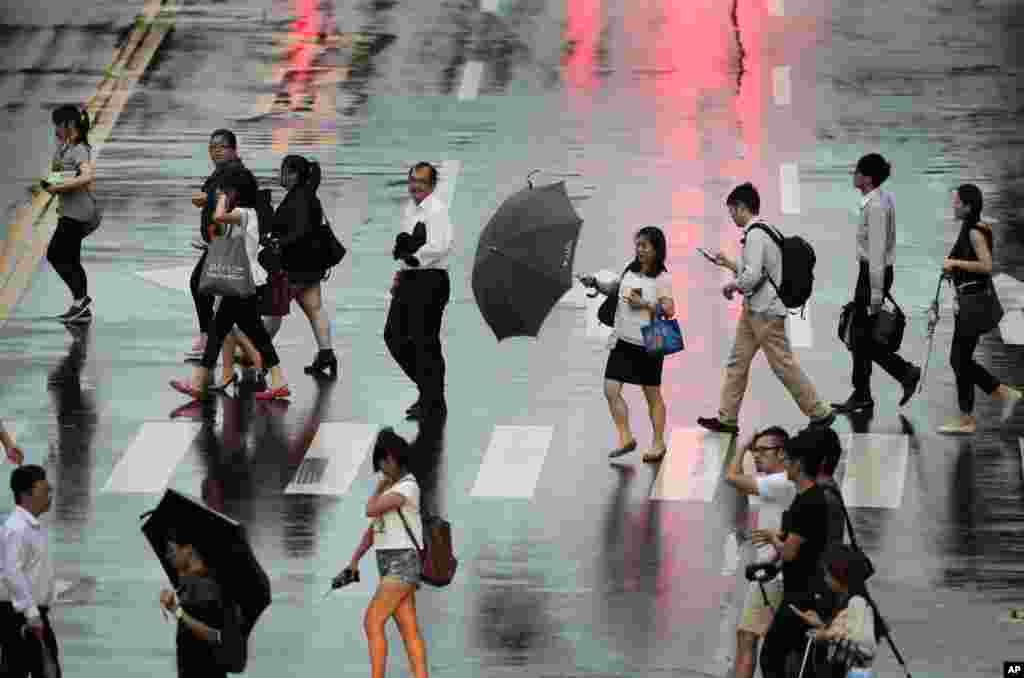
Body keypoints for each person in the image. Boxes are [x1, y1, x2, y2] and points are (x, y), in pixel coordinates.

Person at [698, 182, 835, 434]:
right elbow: (759, 271)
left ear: (741, 207)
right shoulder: (764, 230)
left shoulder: (755, 234)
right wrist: (728, 263)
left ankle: (819, 412)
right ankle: (727, 418)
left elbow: (752, 277)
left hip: (766, 312)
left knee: (783, 365)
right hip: (753, 310)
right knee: (737, 363)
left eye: (732, 211)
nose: (732, 217)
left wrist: (731, 287)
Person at [170, 188, 291, 400]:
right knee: (250, 333)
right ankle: (278, 381)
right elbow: (223, 234)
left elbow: (218, 216)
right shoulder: (245, 216)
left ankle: (198, 382)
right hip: (242, 280)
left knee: (221, 332)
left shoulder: (244, 213)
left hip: (241, 281)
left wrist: (222, 198)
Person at [833, 153, 921, 413]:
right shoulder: (878, 199)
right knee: (861, 337)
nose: (854, 174)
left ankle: (900, 375)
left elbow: (877, 253)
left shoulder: (876, 207)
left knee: (861, 337)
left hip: (874, 274)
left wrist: (875, 293)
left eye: (857, 171)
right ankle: (869, 390)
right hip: (872, 273)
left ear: (867, 178)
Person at [580, 226, 676, 462]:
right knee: (610, 389)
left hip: (649, 342)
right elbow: (616, 289)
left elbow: (669, 309)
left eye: (645, 245)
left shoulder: (662, 278)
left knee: (652, 395)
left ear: (656, 249)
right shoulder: (630, 269)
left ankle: (658, 443)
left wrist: (644, 303)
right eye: (638, 244)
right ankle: (626, 437)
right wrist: (595, 283)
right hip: (623, 340)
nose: (640, 249)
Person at [339, 428, 429, 678]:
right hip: (389, 565)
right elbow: (374, 527)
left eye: (381, 465)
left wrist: (379, 488)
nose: (381, 471)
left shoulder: (407, 488)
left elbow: (371, 509)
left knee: (372, 621)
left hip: (402, 565)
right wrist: (355, 559)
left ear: (390, 458)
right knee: (408, 628)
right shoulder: (395, 488)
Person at [936, 184, 1021, 434]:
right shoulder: (968, 227)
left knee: (959, 359)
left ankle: (974, 414)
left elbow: (986, 266)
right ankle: (998, 396)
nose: (954, 205)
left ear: (968, 207)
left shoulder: (974, 232)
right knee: (960, 359)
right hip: (968, 301)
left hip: (973, 305)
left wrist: (954, 262)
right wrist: (952, 269)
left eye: (957, 202)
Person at [757, 429, 842, 678]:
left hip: (802, 595)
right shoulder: (807, 497)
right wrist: (775, 565)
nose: (784, 465)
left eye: (787, 460)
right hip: (802, 590)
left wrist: (774, 538)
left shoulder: (810, 501)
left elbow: (792, 552)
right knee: (795, 659)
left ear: (799, 464)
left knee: (772, 658)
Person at [723, 426, 795, 678]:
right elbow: (743, 486)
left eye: (763, 450)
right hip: (777, 571)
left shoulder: (780, 482)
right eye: (755, 450)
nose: (756, 455)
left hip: (773, 576)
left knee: (747, 636)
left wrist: (741, 446)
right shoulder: (779, 482)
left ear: (782, 453)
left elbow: (732, 477)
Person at [385, 162, 454, 421]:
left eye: (422, 182)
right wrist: (402, 269)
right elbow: (405, 242)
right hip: (410, 279)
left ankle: (433, 399)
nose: (415, 186)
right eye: (413, 180)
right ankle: (430, 393)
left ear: (432, 185)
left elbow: (440, 246)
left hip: (430, 281)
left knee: (426, 343)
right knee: (393, 336)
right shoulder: (410, 208)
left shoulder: (437, 210)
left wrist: (414, 256)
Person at [186, 129, 261, 361]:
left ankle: (214, 343)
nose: (215, 152)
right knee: (215, 295)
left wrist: (206, 199)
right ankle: (230, 350)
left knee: (205, 287)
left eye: (220, 147)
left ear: (233, 149)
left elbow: (226, 201)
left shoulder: (237, 174)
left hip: (229, 243)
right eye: (212, 148)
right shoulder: (223, 171)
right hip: (219, 241)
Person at [262, 154, 338, 378]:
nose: (280, 175)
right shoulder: (307, 195)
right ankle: (326, 354)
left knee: (272, 312)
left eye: (283, 171)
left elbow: (301, 232)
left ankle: (257, 355)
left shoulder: (299, 199)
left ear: (294, 174)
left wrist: (277, 242)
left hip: (294, 268)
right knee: (315, 309)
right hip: (311, 268)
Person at [40, 104, 98, 324]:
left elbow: (86, 177)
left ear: (70, 124)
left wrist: (60, 188)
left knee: (55, 254)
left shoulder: (80, 148)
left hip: (78, 213)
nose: (56, 129)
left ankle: (81, 301)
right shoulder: (65, 148)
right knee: (71, 258)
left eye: (58, 124)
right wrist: (48, 185)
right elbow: (58, 176)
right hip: (69, 211)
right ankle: (80, 306)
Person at [0, 465, 58, 677]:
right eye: (44, 490)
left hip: (32, 613)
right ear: (26, 495)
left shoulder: (32, 526)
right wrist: (31, 612)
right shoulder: (17, 528)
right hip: (22, 616)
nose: (49, 495)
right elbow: (12, 572)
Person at [790, 543, 881, 677]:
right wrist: (820, 625)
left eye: (827, 574)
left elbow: (866, 648)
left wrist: (825, 635)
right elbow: (846, 632)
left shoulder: (857, 603)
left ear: (840, 574)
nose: (825, 579)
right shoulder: (848, 601)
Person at [158, 528, 227, 678]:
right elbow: (189, 626)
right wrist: (174, 607)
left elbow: (215, 635)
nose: (167, 555)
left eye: (171, 550)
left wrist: (175, 609)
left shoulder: (206, 585)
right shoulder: (190, 583)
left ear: (188, 549)